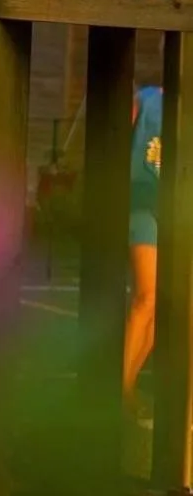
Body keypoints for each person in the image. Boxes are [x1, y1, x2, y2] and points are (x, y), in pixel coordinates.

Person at [124, 84, 162, 409]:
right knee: (147, 296)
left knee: (160, 308)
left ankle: (128, 387)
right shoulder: (147, 99)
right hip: (143, 204)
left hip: (179, 209)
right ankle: (120, 389)